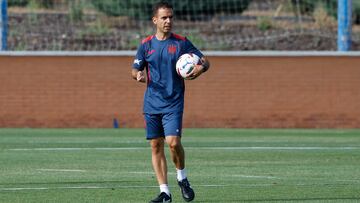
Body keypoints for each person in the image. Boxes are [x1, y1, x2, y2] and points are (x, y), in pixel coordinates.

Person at [131, 1, 210, 202]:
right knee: (156, 146)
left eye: (171, 17)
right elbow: (135, 69)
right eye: (164, 17)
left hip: (173, 102)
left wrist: (199, 69)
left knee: (173, 143)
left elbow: (205, 61)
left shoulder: (182, 42)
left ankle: (182, 178)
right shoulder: (146, 45)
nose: (168, 21)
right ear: (155, 20)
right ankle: (165, 192)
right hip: (151, 103)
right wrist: (138, 75)